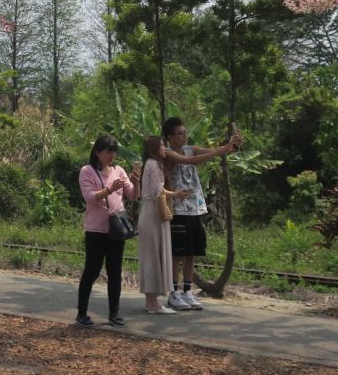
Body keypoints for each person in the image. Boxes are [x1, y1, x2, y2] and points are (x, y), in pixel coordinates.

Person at [158, 117, 243, 311]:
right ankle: (174, 293)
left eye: (185, 132)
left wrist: (232, 145)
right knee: (177, 254)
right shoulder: (168, 153)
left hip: (195, 208)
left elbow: (213, 153)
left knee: (191, 253)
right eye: (181, 133)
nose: (185, 136)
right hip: (178, 210)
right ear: (170, 137)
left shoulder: (191, 148)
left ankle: (188, 291)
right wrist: (223, 148)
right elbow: (192, 161)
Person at [77, 134, 136, 327]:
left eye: (113, 151)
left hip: (116, 230)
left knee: (115, 271)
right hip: (96, 229)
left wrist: (138, 180)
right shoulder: (87, 171)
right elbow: (90, 197)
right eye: (107, 152)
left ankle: (114, 313)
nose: (111, 156)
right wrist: (109, 190)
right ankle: (82, 312)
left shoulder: (119, 170)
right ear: (97, 152)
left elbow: (134, 194)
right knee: (92, 271)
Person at [137, 135, 188, 314]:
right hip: (154, 213)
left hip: (147, 211)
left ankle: (150, 301)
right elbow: (158, 191)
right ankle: (154, 304)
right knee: (155, 255)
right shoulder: (156, 165)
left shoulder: (147, 164)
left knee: (149, 257)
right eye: (162, 146)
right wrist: (176, 194)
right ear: (154, 148)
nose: (164, 149)